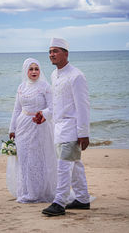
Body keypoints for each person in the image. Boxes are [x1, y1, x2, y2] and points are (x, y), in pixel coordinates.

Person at [40, 37, 90, 216]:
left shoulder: (76, 76)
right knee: (75, 166)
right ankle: (83, 199)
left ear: (66, 54)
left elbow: (83, 106)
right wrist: (45, 114)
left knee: (63, 166)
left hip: (72, 129)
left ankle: (59, 202)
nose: (52, 54)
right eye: (50, 51)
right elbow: (56, 103)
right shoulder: (55, 75)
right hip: (58, 128)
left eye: (56, 51)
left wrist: (84, 133)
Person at [7, 58, 57, 203]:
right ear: (25, 71)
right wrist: (12, 128)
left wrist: (43, 114)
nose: (34, 71)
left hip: (39, 126)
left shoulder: (45, 87)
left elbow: (53, 107)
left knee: (36, 159)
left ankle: (38, 192)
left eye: (36, 68)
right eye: (31, 69)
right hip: (22, 126)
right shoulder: (21, 87)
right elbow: (17, 109)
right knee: (24, 159)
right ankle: (27, 191)